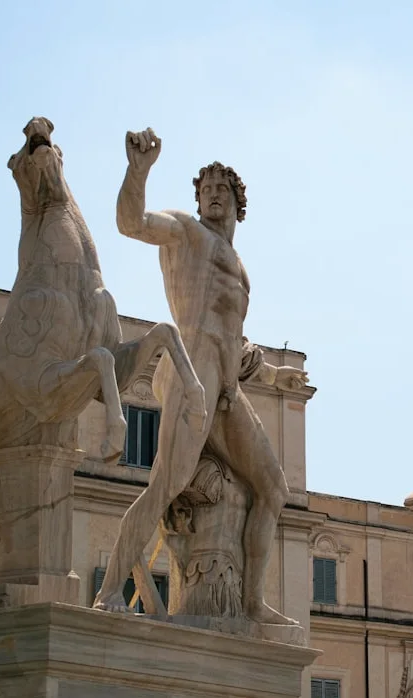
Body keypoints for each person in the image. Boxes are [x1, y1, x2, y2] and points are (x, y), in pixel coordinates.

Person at [93, 128, 308, 625]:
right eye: (205, 188)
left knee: (273, 488)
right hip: (192, 368)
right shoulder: (187, 233)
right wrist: (139, 170)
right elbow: (132, 222)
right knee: (165, 481)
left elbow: (237, 342)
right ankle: (107, 592)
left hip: (226, 383)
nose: (211, 194)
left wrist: (275, 376)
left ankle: (252, 604)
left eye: (221, 189)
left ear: (238, 202)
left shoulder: (241, 267)